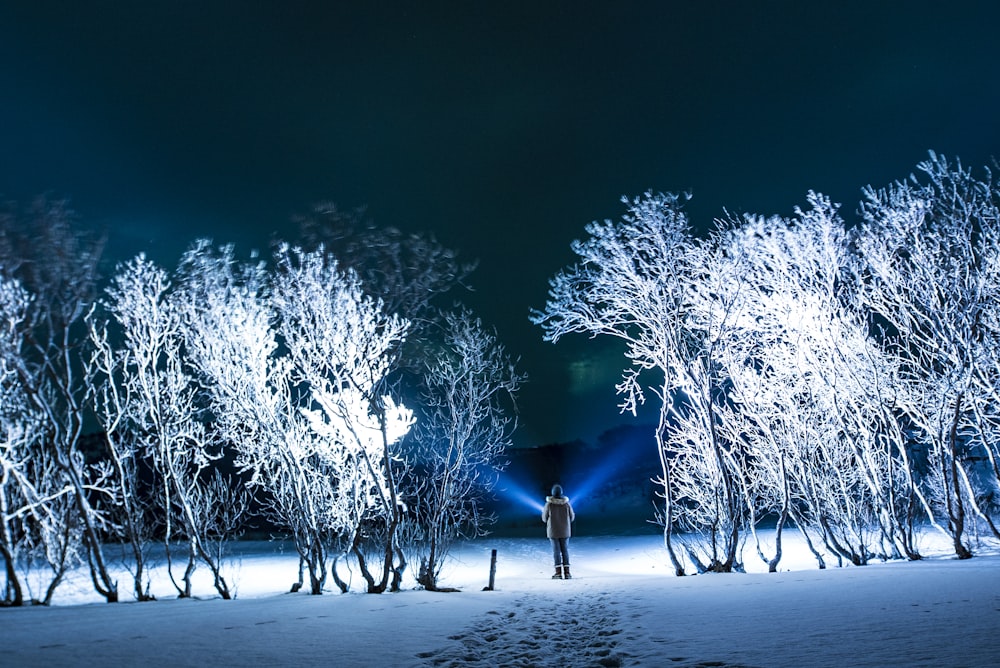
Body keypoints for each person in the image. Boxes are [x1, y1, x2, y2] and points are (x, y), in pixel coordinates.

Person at [541, 484, 575, 579]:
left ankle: (558, 573)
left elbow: (544, 518)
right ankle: (567, 573)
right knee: (565, 551)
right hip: (565, 531)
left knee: (556, 552)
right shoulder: (566, 504)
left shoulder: (549, 504)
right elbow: (572, 517)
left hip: (553, 531)